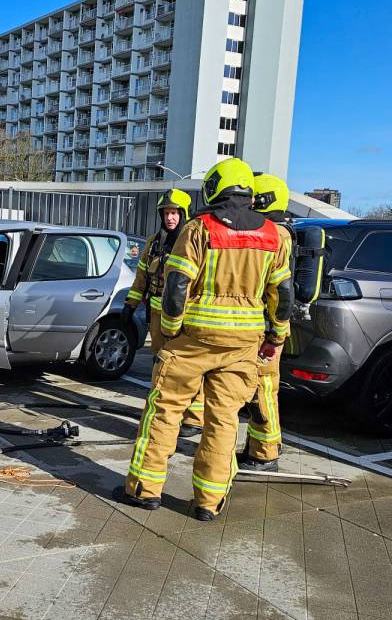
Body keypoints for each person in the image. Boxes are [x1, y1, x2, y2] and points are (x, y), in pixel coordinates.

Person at [116, 158, 293, 521]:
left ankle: (144, 490)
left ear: (215, 187)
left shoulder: (199, 229)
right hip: (243, 345)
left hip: (193, 340)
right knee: (224, 420)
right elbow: (283, 295)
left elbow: (177, 286)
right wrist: (276, 336)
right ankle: (208, 503)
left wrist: (170, 328)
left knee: (164, 411)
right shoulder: (278, 236)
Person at [122, 189, 204, 437]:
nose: (170, 218)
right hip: (157, 315)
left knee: (187, 367)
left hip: (184, 315)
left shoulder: (192, 242)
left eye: (174, 213)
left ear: (183, 214)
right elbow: (142, 276)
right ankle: (163, 412)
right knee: (160, 364)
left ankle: (194, 418)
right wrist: (130, 305)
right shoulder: (154, 242)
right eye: (166, 213)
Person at [238, 172, 294, 472]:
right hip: (266, 326)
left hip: (269, 329)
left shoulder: (277, 235)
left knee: (263, 389)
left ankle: (266, 454)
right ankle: (256, 448)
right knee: (258, 389)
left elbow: (279, 291)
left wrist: (275, 335)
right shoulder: (278, 232)